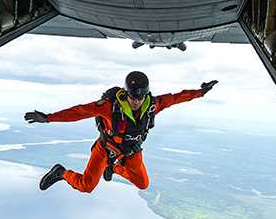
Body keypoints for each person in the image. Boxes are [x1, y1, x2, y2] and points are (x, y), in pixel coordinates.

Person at [24, 71, 217, 192]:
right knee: (86, 186)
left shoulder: (154, 104)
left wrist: (200, 92)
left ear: (146, 94)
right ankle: (61, 172)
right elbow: (80, 111)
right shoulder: (110, 106)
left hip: (131, 151)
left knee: (143, 184)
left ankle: (113, 168)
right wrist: (49, 118)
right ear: (126, 93)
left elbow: (177, 98)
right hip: (105, 148)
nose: (135, 101)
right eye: (132, 97)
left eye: (139, 97)